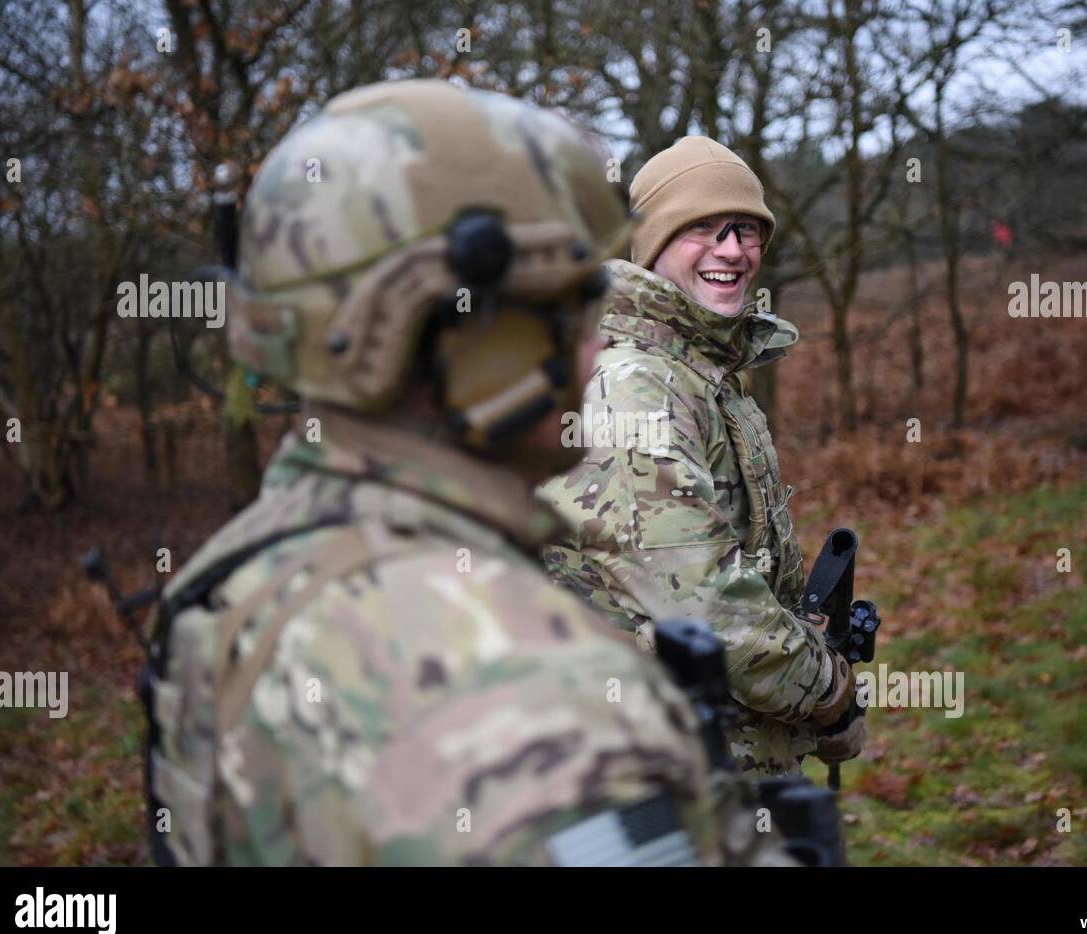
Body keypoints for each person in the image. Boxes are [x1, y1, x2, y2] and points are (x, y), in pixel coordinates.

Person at [142, 82, 769, 865]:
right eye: (576, 304)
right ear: (477, 342)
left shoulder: (229, 584)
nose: (596, 346)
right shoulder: (544, 706)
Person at [539, 136, 866, 777]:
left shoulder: (696, 370)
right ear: (653, 242)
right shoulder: (634, 387)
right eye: (702, 228)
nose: (732, 249)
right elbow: (707, 609)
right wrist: (829, 695)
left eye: (746, 230)